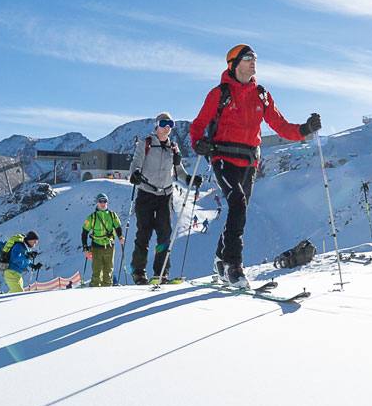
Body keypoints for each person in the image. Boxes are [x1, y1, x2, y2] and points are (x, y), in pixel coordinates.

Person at [190, 44, 322, 288]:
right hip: (223, 158)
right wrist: (199, 143)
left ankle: (220, 259)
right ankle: (233, 266)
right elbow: (198, 125)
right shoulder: (219, 94)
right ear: (233, 63)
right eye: (248, 58)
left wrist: (305, 129)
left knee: (238, 211)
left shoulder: (261, 94)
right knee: (237, 204)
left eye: (255, 59)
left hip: (249, 162)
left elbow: (280, 125)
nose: (253, 62)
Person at [128, 112, 204, 284]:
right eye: (164, 123)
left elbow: (179, 172)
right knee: (143, 234)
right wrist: (135, 175)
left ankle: (161, 272)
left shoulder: (173, 148)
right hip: (146, 193)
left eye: (170, 123)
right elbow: (135, 164)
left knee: (164, 236)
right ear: (157, 125)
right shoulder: (146, 143)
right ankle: (138, 272)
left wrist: (191, 180)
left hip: (165, 196)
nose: (167, 127)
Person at [81, 193, 124, 286]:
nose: (103, 203)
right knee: (96, 273)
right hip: (96, 247)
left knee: (108, 272)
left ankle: (107, 294)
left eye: (104, 201)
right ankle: (95, 295)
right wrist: (85, 249)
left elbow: (118, 227)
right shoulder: (92, 217)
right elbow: (84, 233)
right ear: (97, 202)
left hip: (109, 246)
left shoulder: (112, 215)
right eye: (100, 201)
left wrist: (120, 237)